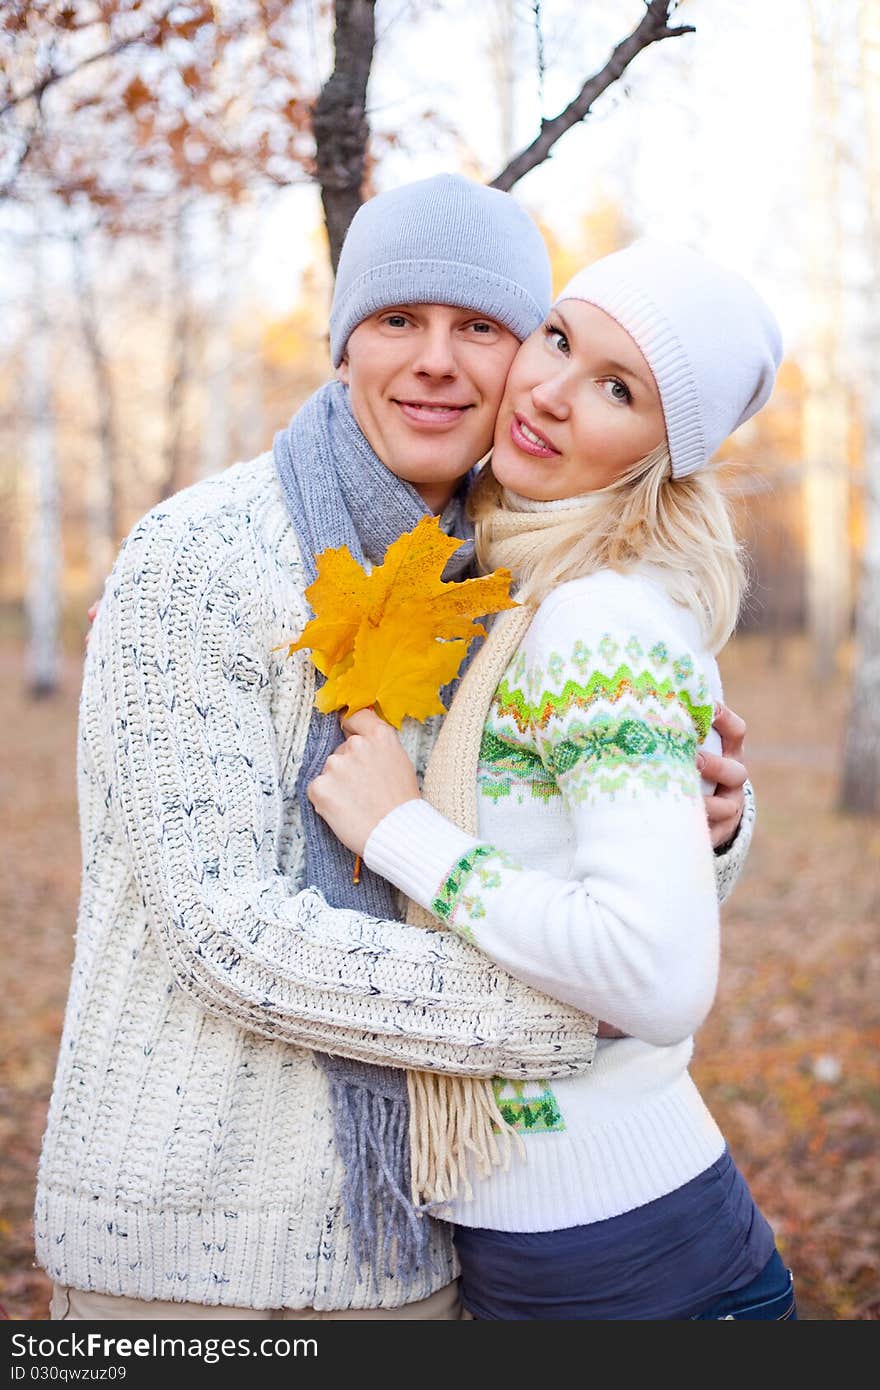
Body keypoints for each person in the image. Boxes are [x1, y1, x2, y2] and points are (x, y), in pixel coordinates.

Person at [39, 178, 754, 1322]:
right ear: (342, 345)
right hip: (189, 1255)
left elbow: (541, 850)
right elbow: (224, 929)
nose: (435, 360)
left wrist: (701, 824)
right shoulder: (197, 557)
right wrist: (574, 1012)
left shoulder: (499, 576)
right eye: (396, 321)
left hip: (416, 1246)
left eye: (480, 327)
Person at [307, 239, 796, 1320]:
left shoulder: (593, 616)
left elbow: (658, 980)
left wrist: (403, 833)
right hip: (555, 1248)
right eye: (560, 338)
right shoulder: (506, 573)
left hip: (632, 1267)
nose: (549, 392)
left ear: (662, 453)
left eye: (617, 389)